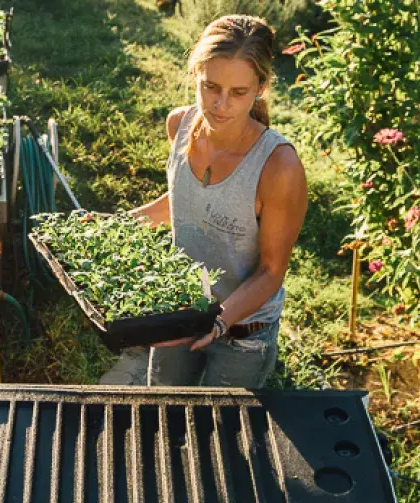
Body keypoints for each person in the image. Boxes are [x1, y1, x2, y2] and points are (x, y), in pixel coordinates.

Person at [98, 15, 308, 389]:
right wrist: (112, 225)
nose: (221, 104)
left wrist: (217, 321)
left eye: (239, 93)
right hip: (180, 311)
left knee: (222, 437)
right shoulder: (180, 125)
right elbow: (181, 201)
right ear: (195, 73)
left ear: (261, 87)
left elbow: (271, 271)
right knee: (163, 412)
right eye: (210, 86)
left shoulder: (279, 166)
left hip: (243, 334)